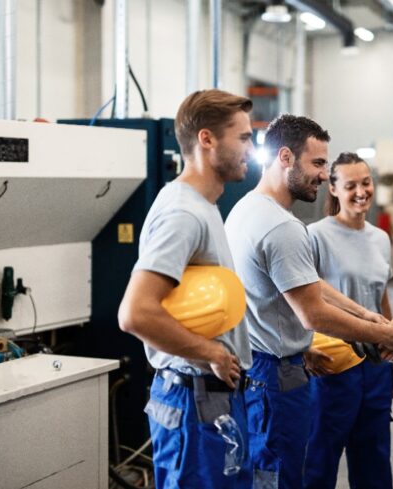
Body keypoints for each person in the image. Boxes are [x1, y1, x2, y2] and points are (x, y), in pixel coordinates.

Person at [224, 114, 393, 488]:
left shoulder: (245, 210)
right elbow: (312, 312)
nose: (323, 175)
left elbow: (310, 284)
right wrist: (384, 335)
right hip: (277, 374)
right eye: (318, 164)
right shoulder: (284, 227)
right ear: (286, 157)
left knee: (272, 472)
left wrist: (369, 317)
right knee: (288, 475)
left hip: (261, 366)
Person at [117, 89, 255, 488]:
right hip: (195, 403)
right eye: (243, 138)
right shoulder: (183, 213)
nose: (251, 147)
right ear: (207, 139)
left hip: (211, 401)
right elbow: (135, 312)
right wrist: (211, 351)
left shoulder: (203, 205)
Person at [303, 152, 393, 489]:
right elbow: (301, 299)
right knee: (318, 462)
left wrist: (392, 343)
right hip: (331, 365)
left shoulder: (380, 239)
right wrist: (302, 348)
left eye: (366, 182)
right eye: (351, 185)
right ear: (333, 189)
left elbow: (380, 295)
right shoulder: (315, 236)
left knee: (374, 461)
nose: (361, 192)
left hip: (374, 367)